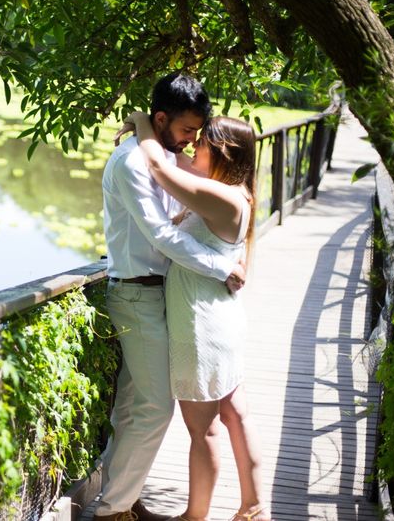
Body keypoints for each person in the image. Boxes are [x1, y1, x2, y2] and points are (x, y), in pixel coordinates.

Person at [94, 73, 246, 521]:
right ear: (162, 119)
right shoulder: (130, 164)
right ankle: (112, 509)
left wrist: (141, 123)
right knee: (156, 409)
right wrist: (223, 266)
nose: (191, 141)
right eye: (185, 131)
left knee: (133, 405)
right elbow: (160, 234)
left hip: (157, 296)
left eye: (196, 133)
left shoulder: (160, 153)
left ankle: (122, 498)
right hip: (136, 296)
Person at [121, 110, 270, 521]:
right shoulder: (229, 189)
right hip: (219, 317)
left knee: (203, 429)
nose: (191, 147)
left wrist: (141, 121)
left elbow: (157, 165)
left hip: (200, 326)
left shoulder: (217, 196)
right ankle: (253, 507)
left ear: (220, 152)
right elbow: (174, 161)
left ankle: (195, 516)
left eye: (200, 142)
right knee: (236, 413)